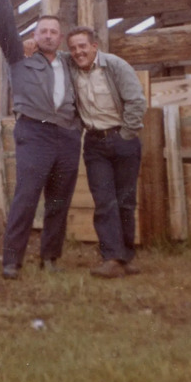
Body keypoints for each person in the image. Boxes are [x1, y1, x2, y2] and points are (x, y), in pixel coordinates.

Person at [0, 0, 83, 280]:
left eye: (53, 31)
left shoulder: (70, 62)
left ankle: (50, 258)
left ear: (60, 37)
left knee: (59, 200)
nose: (47, 35)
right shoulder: (20, 56)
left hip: (68, 136)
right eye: (42, 31)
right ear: (34, 34)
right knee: (27, 197)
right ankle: (12, 261)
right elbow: (5, 29)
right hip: (34, 133)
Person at [65, 26, 147, 279]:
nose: (78, 52)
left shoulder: (115, 66)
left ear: (94, 46)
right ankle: (111, 258)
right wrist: (32, 45)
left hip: (123, 140)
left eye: (82, 46)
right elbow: (51, 56)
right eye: (73, 48)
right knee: (104, 201)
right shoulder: (70, 68)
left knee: (125, 201)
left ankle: (126, 258)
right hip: (94, 143)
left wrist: (126, 134)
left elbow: (136, 101)